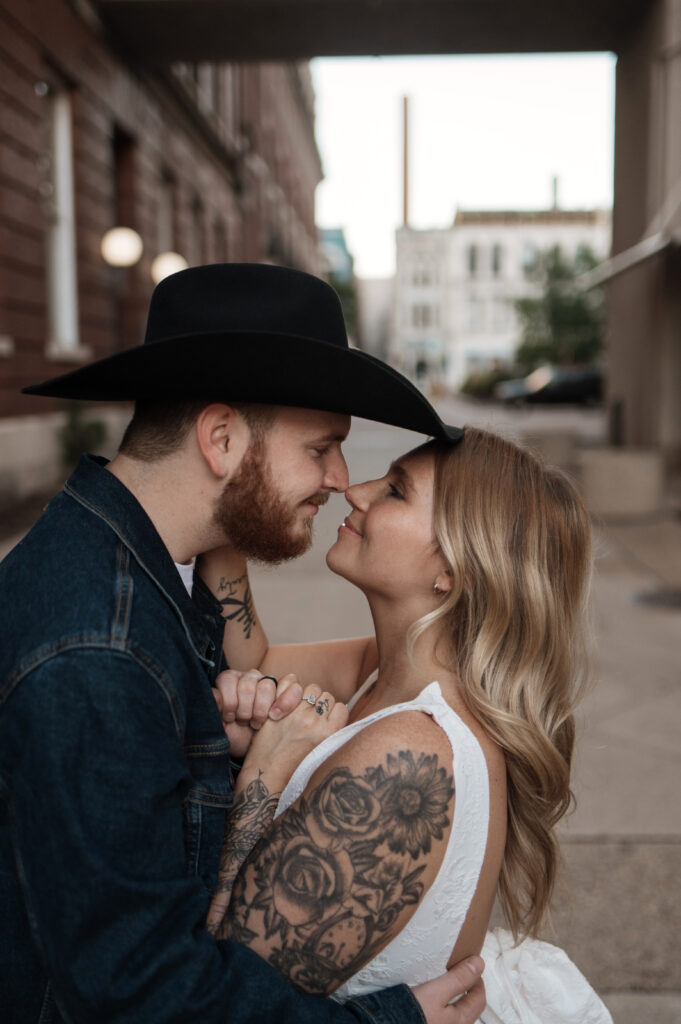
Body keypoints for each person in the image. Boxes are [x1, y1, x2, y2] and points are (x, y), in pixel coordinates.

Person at [0, 263, 484, 1023]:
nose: (338, 479)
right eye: (321, 447)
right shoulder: (100, 648)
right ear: (220, 438)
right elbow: (140, 991)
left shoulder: (143, 572)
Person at [198, 428, 613, 1023]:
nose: (356, 491)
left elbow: (220, 998)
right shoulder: (386, 672)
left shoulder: (410, 759)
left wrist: (263, 772)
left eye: (394, 490)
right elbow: (253, 664)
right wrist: (228, 500)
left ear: (452, 567)